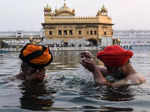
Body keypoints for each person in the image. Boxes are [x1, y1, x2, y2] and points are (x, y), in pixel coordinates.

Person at [80, 45, 146, 87]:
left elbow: (105, 86)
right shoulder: (119, 71)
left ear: (118, 66)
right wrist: (89, 60)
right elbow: (98, 68)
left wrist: (94, 69)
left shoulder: (134, 79)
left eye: (109, 67)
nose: (108, 70)